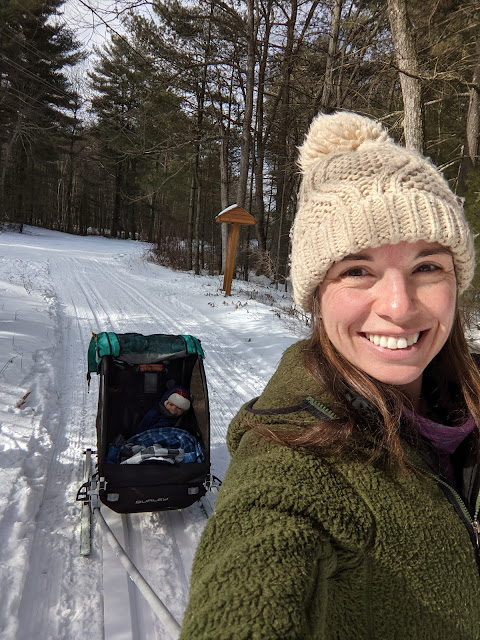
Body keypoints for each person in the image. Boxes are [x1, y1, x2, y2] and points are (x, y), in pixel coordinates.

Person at [179, 111, 480, 639]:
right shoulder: (291, 459)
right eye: (357, 271)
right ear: (317, 295)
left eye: (427, 267)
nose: (399, 305)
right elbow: (253, 564)